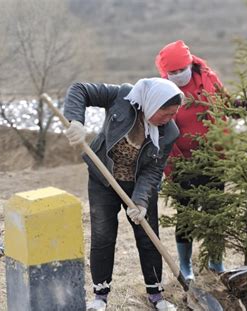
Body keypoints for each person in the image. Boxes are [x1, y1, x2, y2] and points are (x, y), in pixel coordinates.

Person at [63, 78, 182, 311]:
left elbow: (154, 170)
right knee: (103, 236)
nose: (170, 119)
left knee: (149, 238)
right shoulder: (121, 96)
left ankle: (156, 294)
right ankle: (100, 295)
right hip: (103, 180)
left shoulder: (169, 132)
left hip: (138, 186)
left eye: (174, 114)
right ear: (151, 103)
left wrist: (141, 202)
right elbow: (80, 89)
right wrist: (76, 120)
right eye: (166, 113)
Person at [155, 40, 227, 280]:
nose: (177, 75)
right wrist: (174, 167)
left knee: (215, 211)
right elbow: (161, 128)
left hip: (214, 158)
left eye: (180, 70)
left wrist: (239, 106)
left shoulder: (209, 77)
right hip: (181, 162)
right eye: (171, 72)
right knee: (186, 215)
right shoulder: (163, 90)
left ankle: (216, 261)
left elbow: (225, 103)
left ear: (190, 64)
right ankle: (185, 266)